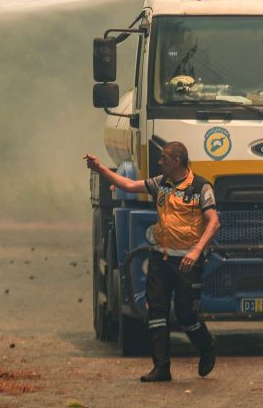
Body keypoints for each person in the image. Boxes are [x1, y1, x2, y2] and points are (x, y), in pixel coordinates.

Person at [84, 142, 220, 382]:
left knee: (186, 315)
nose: (159, 162)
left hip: (187, 262)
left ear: (176, 162)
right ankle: (161, 368)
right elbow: (127, 184)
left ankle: (207, 347)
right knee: (156, 312)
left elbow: (213, 222)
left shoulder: (201, 187)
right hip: (161, 258)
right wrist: (100, 169)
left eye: (163, 159)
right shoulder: (161, 183)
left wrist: (196, 251)